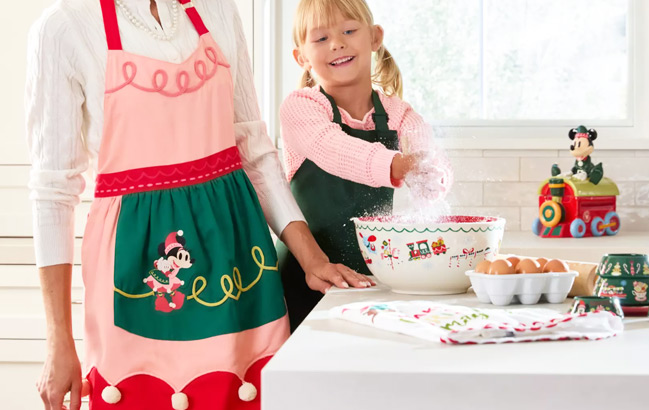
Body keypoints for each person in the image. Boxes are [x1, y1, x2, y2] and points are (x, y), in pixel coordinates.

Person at [25, 0, 374, 408]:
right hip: (138, 270)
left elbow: (254, 149)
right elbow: (52, 191)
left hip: (236, 257)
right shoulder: (65, 26)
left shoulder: (218, 10)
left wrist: (312, 259)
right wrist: (58, 341)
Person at [277, 0, 452, 331]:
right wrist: (398, 165)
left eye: (348, 31)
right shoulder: (301, 108)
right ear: (301, 57)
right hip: (303, 276)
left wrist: (434, 176)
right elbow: (333, 149)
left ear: (374, 38)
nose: (337, 43)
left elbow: (432, 169)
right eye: (321, 38)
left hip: (370, 279)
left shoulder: (401, 115)